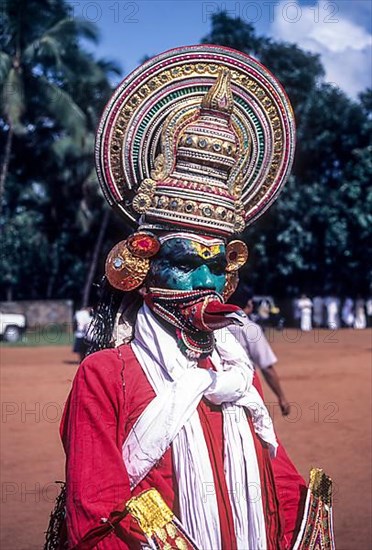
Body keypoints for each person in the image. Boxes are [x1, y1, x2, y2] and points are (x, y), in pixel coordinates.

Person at [57, 46, 334, 550]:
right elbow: (96, 516)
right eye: (186, 265)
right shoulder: (105, 377)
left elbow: (283, 490)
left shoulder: (236, 377)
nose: (205, 285)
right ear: (139, 266)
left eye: (217, 267)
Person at [228, 285, 291, 416]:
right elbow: (267, 367)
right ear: (248, 304)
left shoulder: (210, 325)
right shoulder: (249, 328)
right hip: (243, 389)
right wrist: (281, 397)